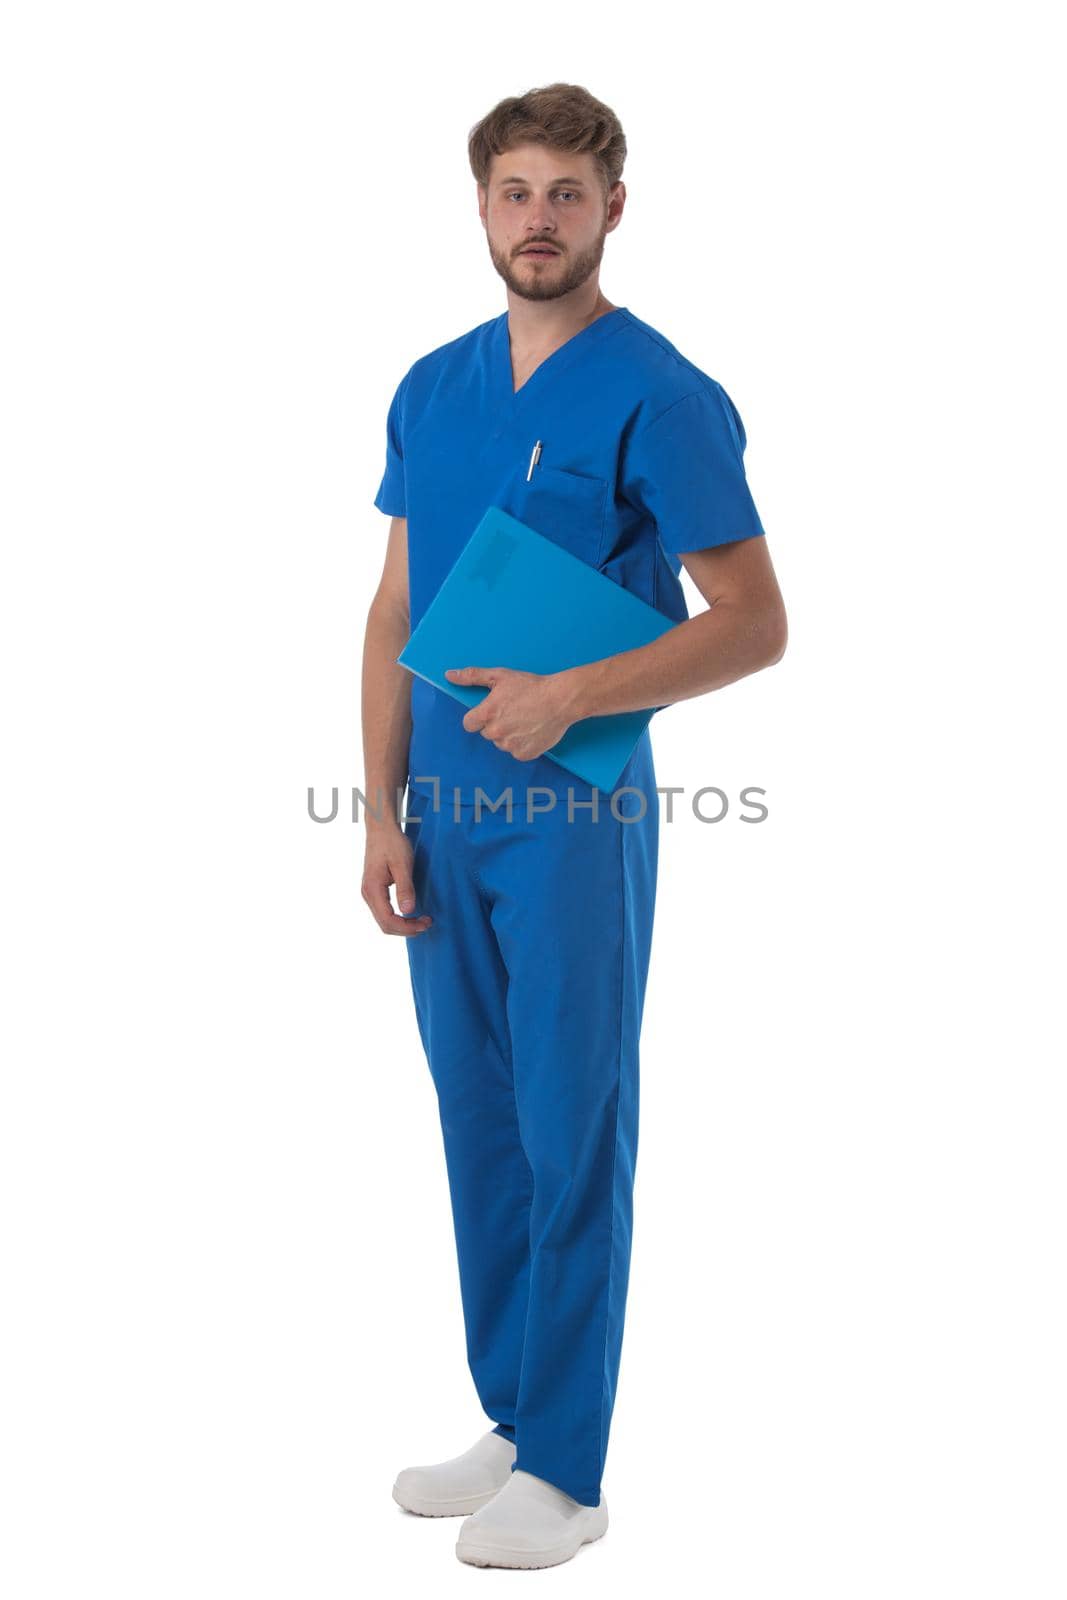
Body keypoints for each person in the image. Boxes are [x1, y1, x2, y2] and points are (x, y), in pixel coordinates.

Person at [361, 82, 787, 1570]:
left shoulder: (660, 394)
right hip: (447, 814)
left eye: (567, 193)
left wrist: (575, 693)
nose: (538, 219)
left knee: (569, 1121)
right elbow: (396, 606)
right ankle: (514, 1412)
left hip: (572, 820)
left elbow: (754, 624)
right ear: (481, 207)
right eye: (514, 191)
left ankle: (572, 1466)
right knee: (479, 1125)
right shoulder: (433, 385)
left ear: (614, 208)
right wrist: (383, 814)